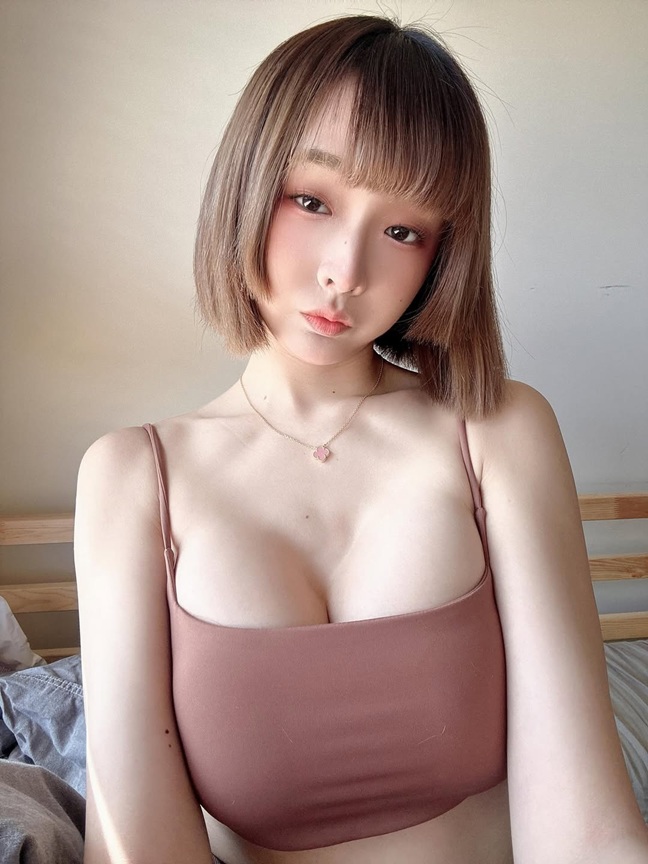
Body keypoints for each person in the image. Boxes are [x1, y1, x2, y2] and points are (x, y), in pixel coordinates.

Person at [74, 14, 648, 864]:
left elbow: (587, 828)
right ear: (247, 183)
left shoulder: (496, 431)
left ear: (441, 255)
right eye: (311, 201)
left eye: (403, 231)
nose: (346, 271)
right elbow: (136, 844)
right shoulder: (132, 477)